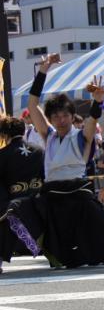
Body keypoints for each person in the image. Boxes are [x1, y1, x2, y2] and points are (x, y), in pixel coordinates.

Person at [14, 54, 104, 269]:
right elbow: (33, 104)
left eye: (64, 116)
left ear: (72, 117)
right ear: (51, 119)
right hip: (53, 196)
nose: (60, 120)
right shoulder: (49, 136)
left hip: (78, 194)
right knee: (16, 209)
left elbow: (92, 120)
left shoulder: (81, 137)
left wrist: (97, 102)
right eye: (56, 117)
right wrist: (43, 71)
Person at [0, 116, 45, 272]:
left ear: (4, 135)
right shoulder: (39, 151)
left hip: (13, 204)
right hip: (39, 203)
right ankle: (55, 255)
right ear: (24, 130)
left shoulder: (3, 155)